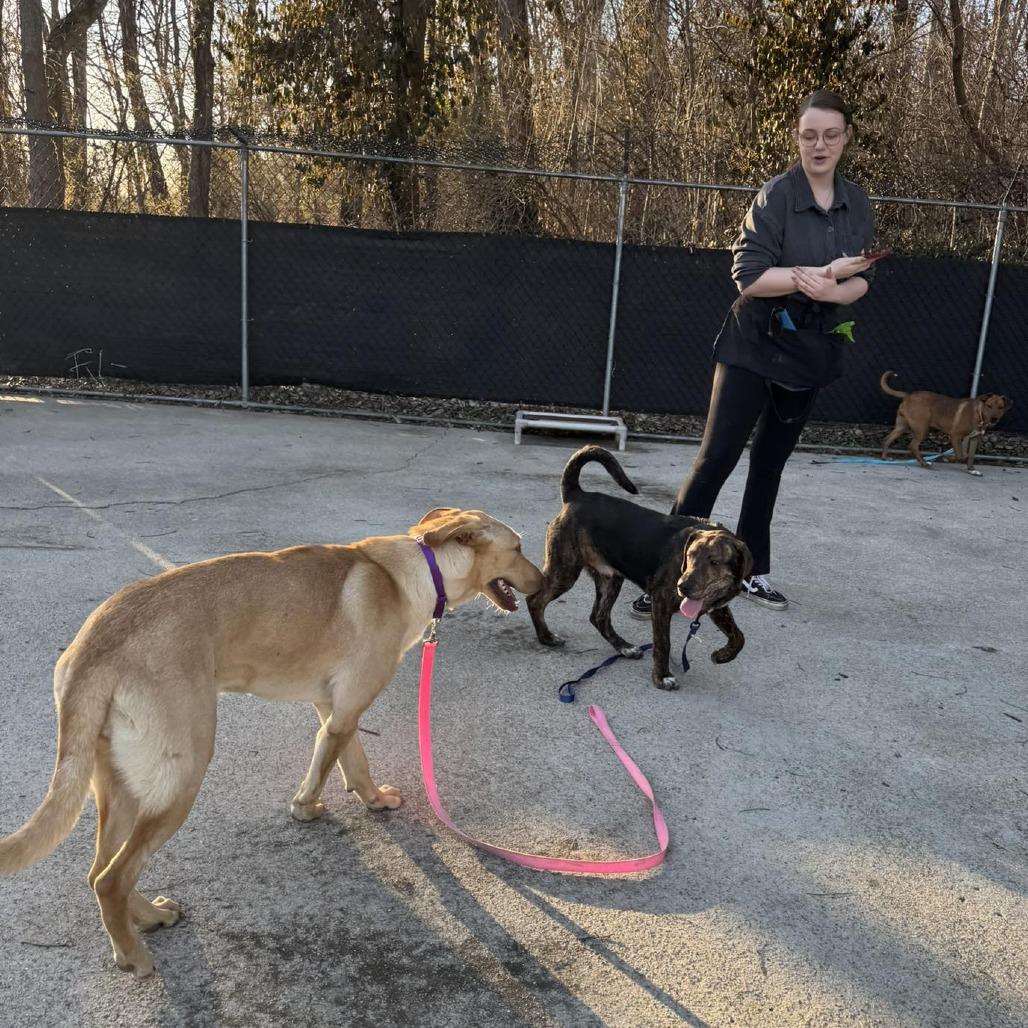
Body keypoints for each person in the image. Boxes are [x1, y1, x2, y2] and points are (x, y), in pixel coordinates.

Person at [632, 89, 876, 617]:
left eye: (831, 134)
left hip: (809, 349)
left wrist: (833, 292)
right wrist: (806, 278)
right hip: (753, 344)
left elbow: (862, 278)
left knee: (769, 464)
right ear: (798, 136)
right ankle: (663, 573)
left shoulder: (856, 201)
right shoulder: (776, 196)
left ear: (845, 138)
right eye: (809, 134)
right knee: (716, 458)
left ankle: (752, 572)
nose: (820, 144)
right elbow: (747, 275)